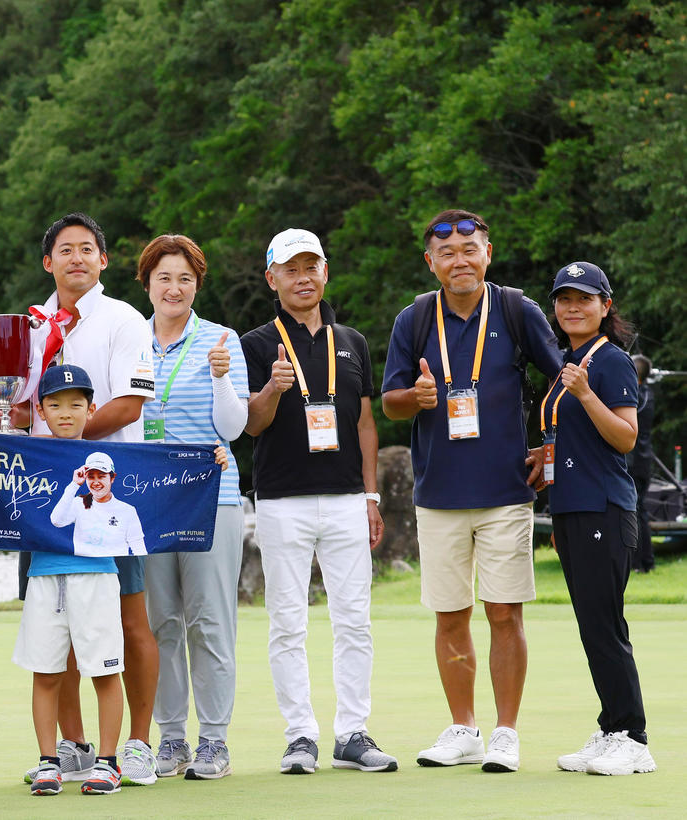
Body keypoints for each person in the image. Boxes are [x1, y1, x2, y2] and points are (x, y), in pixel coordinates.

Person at [381, 209, 563, 773]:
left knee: (504, 612)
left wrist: (551, 445)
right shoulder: (414, 317)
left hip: (507, 490)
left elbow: (563, 379)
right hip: (438, 493)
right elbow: (388, 402)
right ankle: (463, 728)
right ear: (430, 261)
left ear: (488, 253)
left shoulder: (515, 308)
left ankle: (505, 733)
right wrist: (417, 397)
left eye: (470, 250)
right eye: (447, 253)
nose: (459, 261)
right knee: (450, 615)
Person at [241, 228, 397, 776]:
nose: (303, 277)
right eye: (291, 269)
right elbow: (249, 425)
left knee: (354, 619)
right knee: (287, 621)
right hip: (282, 499)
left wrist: (372, 494)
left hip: (347, 499)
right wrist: (273, 390)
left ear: (325, 271)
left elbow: (364, 422)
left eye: (312, 266)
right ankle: (300, 735)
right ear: (272, 279)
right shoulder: (257, 344)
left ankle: (351, 732)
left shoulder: (351, 340)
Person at [13, 212, 160, 786]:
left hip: (108, 492)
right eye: (64, 250)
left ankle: (138, 743)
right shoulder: (29, 325)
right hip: (46, 499)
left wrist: (66, 443)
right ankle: (72, 747)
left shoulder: (124, 319)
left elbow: (129, 406)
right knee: (59, 624)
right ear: (48, 262)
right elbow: (21, 408)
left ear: (104, 260)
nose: (77, 258)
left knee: (129, 621)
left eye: (87, 249)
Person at [533, 262, 656, 776]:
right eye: (564, 299)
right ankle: (611, 728)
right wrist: (541, 462)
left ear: (606, 306)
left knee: (605, 625)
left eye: (584, 298)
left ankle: (633, 737)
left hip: (603, 506)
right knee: (592, 625)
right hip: (571, 506)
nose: (572, 307)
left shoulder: (609, 362)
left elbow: (625, 438)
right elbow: (574, 440)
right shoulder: (569, 359)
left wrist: (585, 393)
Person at [137, 234, 249, 780]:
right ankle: (172, 739)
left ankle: (215, 741)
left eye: (185, 278)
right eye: (164, 278)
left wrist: (223, 376)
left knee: (210, 621)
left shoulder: (221, 340)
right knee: (161, 623)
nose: (174, 288)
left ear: (197, 284)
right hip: (146, 503)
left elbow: (234, 428)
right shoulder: (130, 341)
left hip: (212, 499)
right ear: (148, 284)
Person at [18, 364, 127, 796]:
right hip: (44, 576)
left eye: (76, 405)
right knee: (46, 673)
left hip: (97, 578)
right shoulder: (28, 453)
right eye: (55, 405)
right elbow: (59, 517)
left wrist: (209, 457)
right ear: (41, 410)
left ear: (91, 408)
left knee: (104, 669)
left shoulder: (111, 463)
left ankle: (108, 761)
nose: (66, 413)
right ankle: (49, 761)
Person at [50, 452, 146, 557]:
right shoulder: (78, 503)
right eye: (91, 477)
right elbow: (56, 521)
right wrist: (74, 484)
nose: (96, 482)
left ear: (112, 478)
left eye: (101, 476)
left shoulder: (128, 511)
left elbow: (139, 549)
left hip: (112, 571)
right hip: (83, 569)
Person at [627, 354, 655, 573]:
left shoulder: (638, 397)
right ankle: (646, 561)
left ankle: (638, 562)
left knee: (634, 511)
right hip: (643, 460)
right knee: (640, 510)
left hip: (636, 461)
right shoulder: (647, 394)